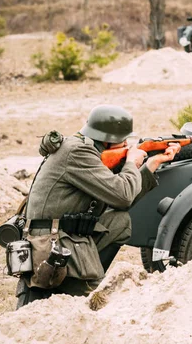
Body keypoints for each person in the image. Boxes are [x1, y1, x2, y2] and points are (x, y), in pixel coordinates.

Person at [15, 104, 180, 308]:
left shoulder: (82, 147)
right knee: (101, 305)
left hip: (63, 235)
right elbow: (122, 196)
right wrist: (130, 164)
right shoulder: (78, 152)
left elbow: (117, 200)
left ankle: (89, 273)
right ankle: (83, 283)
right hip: (51, 244)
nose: (127, 144)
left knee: (119, 222)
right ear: (108, 140)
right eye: (123, 140)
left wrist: (152, 164)